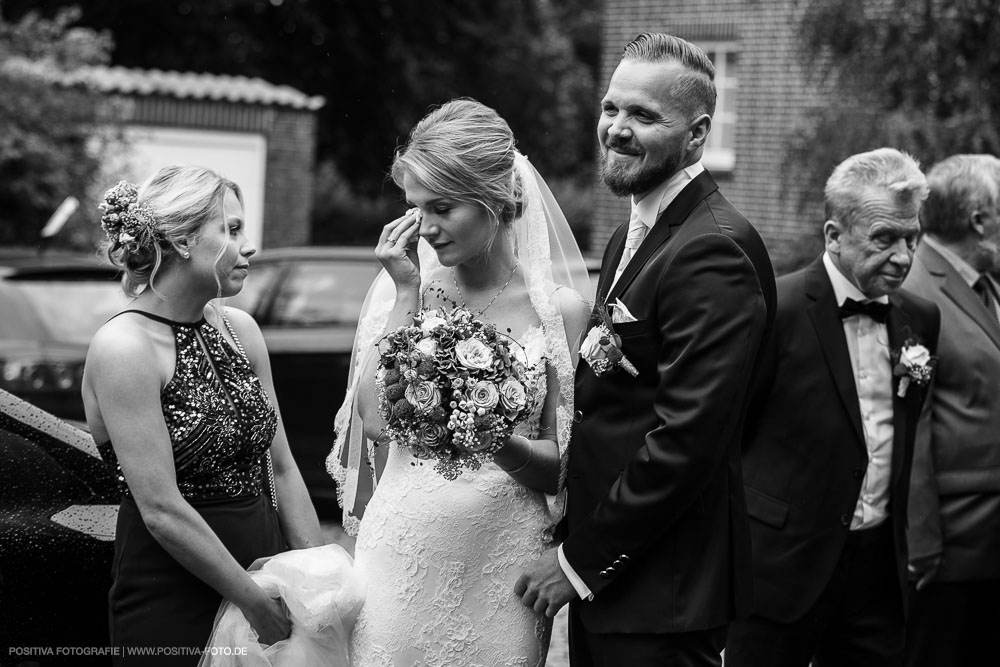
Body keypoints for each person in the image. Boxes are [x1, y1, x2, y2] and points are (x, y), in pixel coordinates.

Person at [514, 33, 776, 667]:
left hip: (664, 587)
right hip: (626, 586)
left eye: (643, 116)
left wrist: (579, 561)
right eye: (611, 108)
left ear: (696, 133)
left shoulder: (713, 250)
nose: (617, 129)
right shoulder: (633, 234)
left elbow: (688, 438)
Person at [327, 99, 592, 666]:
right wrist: (404, 292)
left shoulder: (560, 313)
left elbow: (561, 466)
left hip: (504, 565)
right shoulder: (406, 289)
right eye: (416, 208)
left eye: (442, 208)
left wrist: (497, 439)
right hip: (403, 550)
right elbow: (374, 421)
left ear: (497, 199)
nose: (424, 227)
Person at [82, 165, 324, 664]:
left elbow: (281, 466)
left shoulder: (241, 330)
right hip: (172, 592)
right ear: (183, 240)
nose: (249, 245)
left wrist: (314, 580)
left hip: (268, 573)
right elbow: (161, 508)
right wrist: (253, 602)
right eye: (232, 230)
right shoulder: (124, 346)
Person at [724, 148, 940, 667]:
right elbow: (731, 437)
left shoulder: (921, 319)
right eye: (884, 238)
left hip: (877, 572)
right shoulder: (775, 310)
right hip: (779, 569)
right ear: (834, 236)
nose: (903, 257)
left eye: (912, 238)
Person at [901, 154, 1000, 667]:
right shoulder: (916, 290)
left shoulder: (987, 287)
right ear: (979, 220)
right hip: (951, 549)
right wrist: (922, 545)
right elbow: (911, 428)